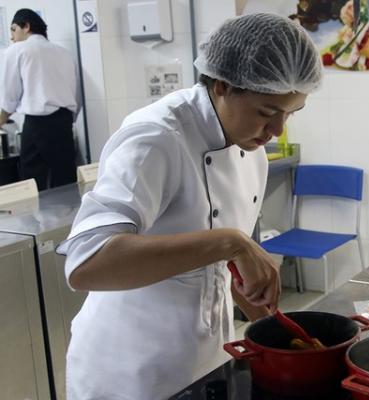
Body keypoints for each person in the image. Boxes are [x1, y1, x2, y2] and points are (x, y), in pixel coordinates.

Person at [56, 13, 322, 400]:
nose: (277, 130)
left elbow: (228, 270)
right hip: (133, 370)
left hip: (209, 359)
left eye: (290, 113)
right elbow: (86, 264)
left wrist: (278, 336)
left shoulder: (252, 149)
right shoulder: (156, 137)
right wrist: (231, 242)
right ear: (222, 86)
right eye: (267, 112)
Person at [0, 8, 80, 190]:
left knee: (33, 181)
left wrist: (2, 118)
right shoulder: (64, 53)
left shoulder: (18, 50)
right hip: (65, 123)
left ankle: (37, 220)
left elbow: (10, 95)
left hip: (37, 124)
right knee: (65, 179)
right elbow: (76, 94)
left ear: (26, 26)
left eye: (13, 29)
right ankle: (69, 218)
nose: (12, 37)